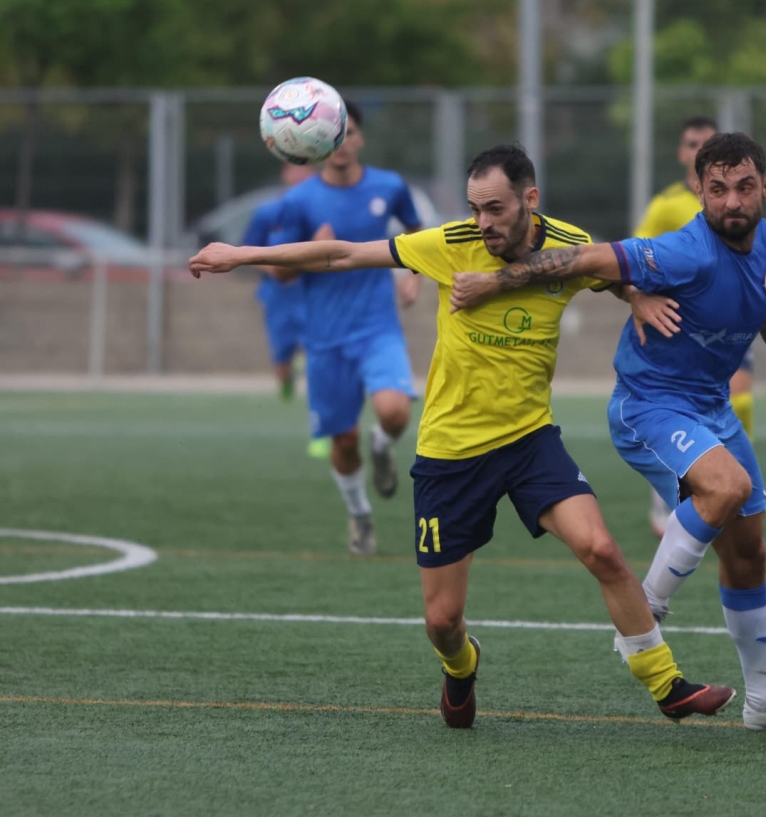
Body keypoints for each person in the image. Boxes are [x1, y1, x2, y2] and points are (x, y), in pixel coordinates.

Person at [189, 144, 736, 729]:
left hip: (529, 442)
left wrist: (637, 294)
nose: (483, 222)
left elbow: (607, 271)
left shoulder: (567, 243)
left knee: (602, 550)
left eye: (495, 208)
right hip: (450, 453)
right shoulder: (450, 245)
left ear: (530, 200)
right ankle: (461, 667)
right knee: (442, 622)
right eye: (476, 208)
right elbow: (342, 254)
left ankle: (666, 685)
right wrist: (242, 253)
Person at [448, 132, 766, 733]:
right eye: (717, 190)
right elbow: (585, 261)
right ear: (699, 191)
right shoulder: (684, 251)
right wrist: (494, 281)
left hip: (709, 405)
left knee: (748, 553)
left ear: (765, 187)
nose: (731, 202)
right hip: (649, 405)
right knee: (726, 488)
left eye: (743, 187)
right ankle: (647, 610)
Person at [269, 99, 424, 556]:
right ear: (316, 143)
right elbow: (279, 273)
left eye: (349, 132)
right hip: (324, 339)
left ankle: (383, 448)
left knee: (395, 412)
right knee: (343, 439)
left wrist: (412, 276)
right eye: (332, 135)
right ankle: (359, 515)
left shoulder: (389, 187)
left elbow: (418, 236)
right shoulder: (299, 201)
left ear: (359, 138)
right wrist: (307, 252)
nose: (341, 143)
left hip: (378, 328)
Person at [635, 117, 756, 536]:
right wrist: (640, 297)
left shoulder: (736, 198)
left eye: (705, 142)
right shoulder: (667, 204)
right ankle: (675, 486)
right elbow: (634, 257)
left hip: (734, 320)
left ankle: (728, 486)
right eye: (691, 143)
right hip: (684, 329)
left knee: (739, 401)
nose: (697, 149)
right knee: (685, 408)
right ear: (682, 153)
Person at [241, 163, 331, 461]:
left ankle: (320, 432)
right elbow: (247, 251)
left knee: (317, 362)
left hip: (311, 296)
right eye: (296, 170)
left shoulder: (322, 210)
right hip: (278, 297)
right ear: (284, 173)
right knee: (282, 364)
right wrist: (276, 267)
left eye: (307, 171)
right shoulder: (268, 212)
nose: (301, 176)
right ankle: (286, 378)